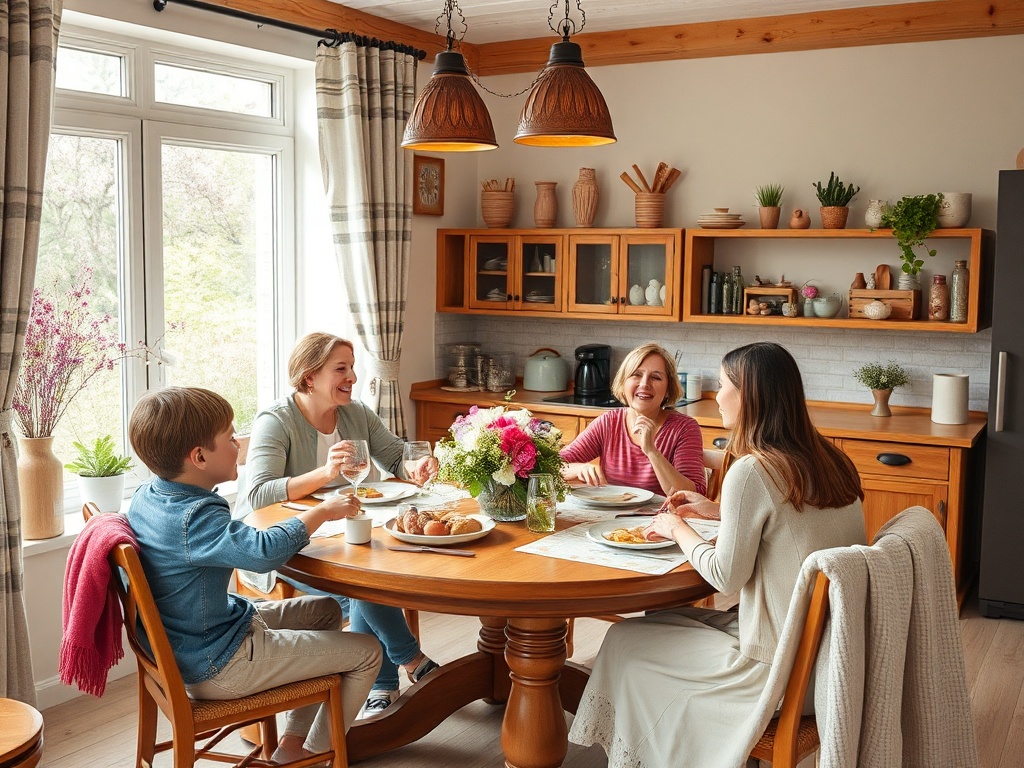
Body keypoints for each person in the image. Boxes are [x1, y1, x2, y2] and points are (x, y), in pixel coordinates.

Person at [568, 342, 867, 768]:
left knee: (622, 639)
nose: (717, 395)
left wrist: (677, 527)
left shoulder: (753, 469)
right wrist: (722, 513)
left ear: (748, 395)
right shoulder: (832, 459)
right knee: (655, 627)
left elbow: (724, 578)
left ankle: (658, 755)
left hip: (776, 671)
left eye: (723, 385)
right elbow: (788, 528)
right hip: (825, 660)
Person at [126, 387, 382, 764]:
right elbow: (262, 554)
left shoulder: (150, 495)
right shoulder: (195, 517)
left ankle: (294, 745)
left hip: (192, 644)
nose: (238, 445)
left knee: (326, 611)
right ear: (198, 457)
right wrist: (322, 512)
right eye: (230, 437)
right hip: (216, 663)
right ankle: (314, 754)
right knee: (367, 653)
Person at [238, 332, 438, 717]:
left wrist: (413, 466)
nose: (352, 378)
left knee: (365, 578)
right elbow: (258, 496)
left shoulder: (355, 413)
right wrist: (324, 473)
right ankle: (411, 662)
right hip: (287, 544)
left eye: (353, 368)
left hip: (347, 533)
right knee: (365, 585)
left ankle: (382, 689)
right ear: (310, 376)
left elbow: (395, 455)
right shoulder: (275, 420)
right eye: (341, 369)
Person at [560, 343, 706, 496]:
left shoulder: (684, 428)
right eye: (636, 374)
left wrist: (651, 451)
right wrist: (579, 469)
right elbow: (553, 466)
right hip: (609, 516)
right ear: (623, 382)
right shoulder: (609, 423)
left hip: (662, 518)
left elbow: (695, 496)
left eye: (656, 377)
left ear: (669, 389)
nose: (644, 384)